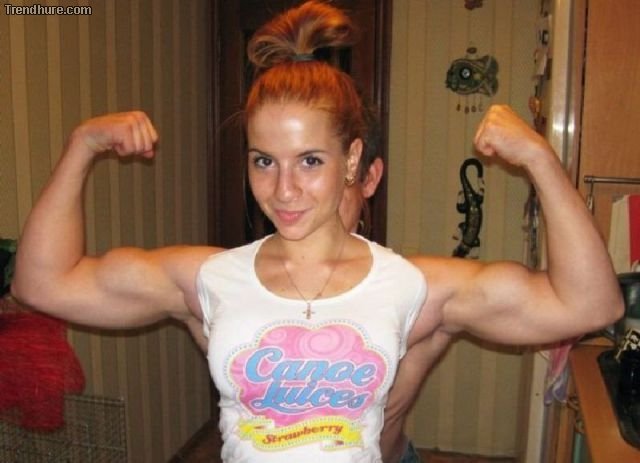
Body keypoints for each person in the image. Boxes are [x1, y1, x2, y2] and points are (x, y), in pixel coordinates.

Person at [11, 1, 622, 462]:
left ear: (354, 162)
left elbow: (591, 305)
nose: (283, 191)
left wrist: (540, 159)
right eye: (263, 161)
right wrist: (81, 147)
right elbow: (43, 285)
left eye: (309, 161)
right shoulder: (208, 279)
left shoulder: (417, 288)